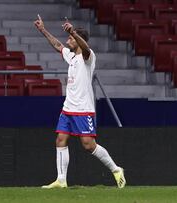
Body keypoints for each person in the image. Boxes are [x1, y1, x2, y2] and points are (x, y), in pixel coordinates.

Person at [34, 14, 126, 189]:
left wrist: (74, 34)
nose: (68, 40)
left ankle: (116, 170)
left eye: (71, 37)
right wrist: (43, 30)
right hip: (68, 108)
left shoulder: (88, 57)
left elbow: (85, 48)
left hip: (84, 109)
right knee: (60, 140)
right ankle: (61, 180)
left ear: (79, 40)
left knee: (88, 145)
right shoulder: (72, 57)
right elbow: (57, 45)